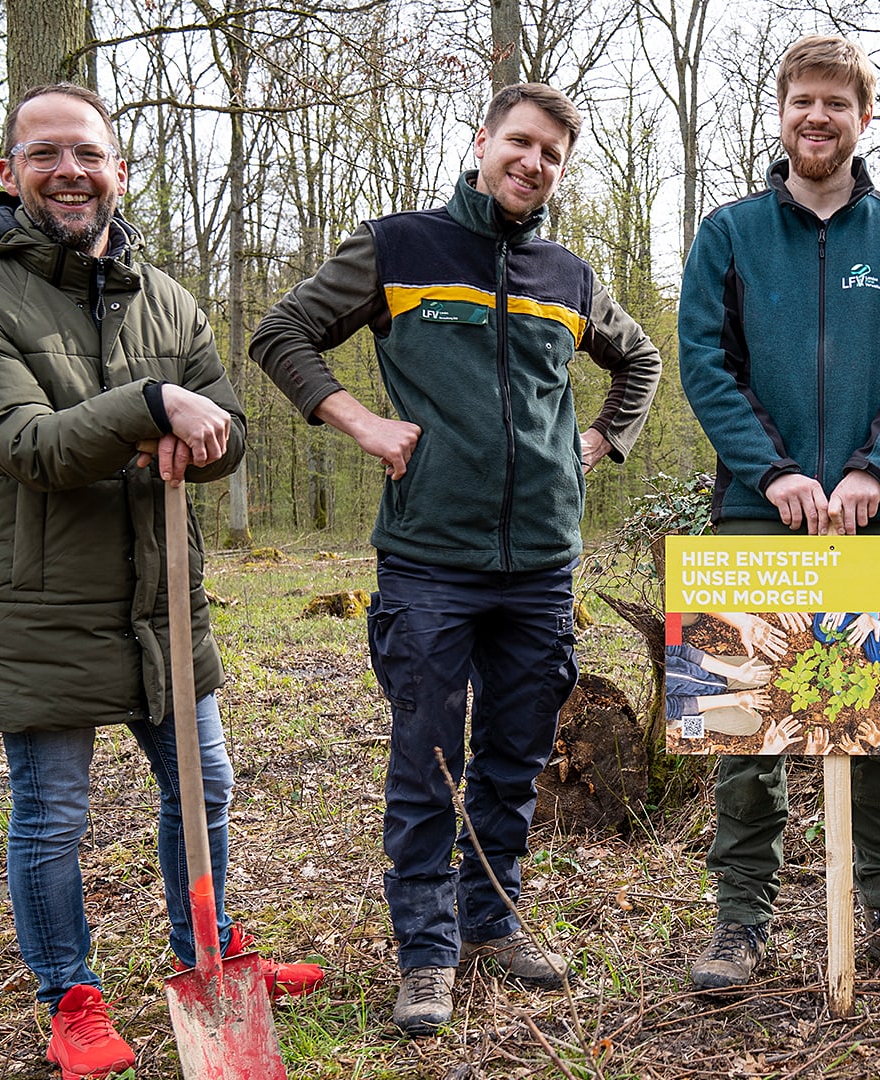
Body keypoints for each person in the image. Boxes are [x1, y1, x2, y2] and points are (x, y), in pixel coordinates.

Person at [0, 84, 322, 1080]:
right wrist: (152, 405)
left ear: (119, 170)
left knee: (208, 785)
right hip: (39, 600)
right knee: (54, 808)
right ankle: (71, 997)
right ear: (8, 171)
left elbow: (224, 428)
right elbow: (27, 445)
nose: (70, 172)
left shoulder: (167, 298)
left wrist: (197, 426)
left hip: (159, 594)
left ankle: (210, 954)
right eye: (45, 154)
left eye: (89, 154)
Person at [249, 82, 661, 1034]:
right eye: (520, 143)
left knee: (516, 754)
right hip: (429, 559)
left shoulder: (570, 274)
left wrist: (599, 444)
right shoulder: (399, 247)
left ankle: (495, 917)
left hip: (543, 563)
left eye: (552, 154)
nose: (534, 164)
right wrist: (357, 420)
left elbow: (640, 362)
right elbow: (283, 333)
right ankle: (427, 950)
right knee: (428, 757)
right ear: (482, 141)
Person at [677, 34, 880, 990]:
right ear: (783, 109)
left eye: (838, 103)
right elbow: (707, 368)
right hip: (758, 516)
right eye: (804, 99)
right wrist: (775, 474)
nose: (818, 117)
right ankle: (739, 922)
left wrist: (877, 469)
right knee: (741, 720)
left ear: (864, 118)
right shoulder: (729, 234)